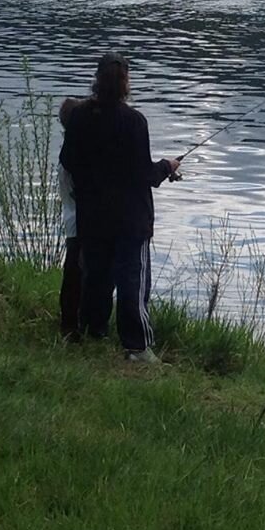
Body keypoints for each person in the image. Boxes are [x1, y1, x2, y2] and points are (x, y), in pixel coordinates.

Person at [57, 53, 181, 361]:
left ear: (96, 81)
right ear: (125, 83)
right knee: (132, 281)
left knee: (96, 277)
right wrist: (167, 166)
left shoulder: (80, 118)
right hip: (130, 219)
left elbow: (69, 162)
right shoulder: (134, 121)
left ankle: (93, 330)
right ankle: (136, 346)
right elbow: (144, 175)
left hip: (92, 216)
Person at [55, 97, 84, 340]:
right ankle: (71, 327)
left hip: (71, 222)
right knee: (76, 275)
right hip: (79, 224)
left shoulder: (68, 150)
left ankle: (70, 324)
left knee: (73, 274)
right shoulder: (75, 155)